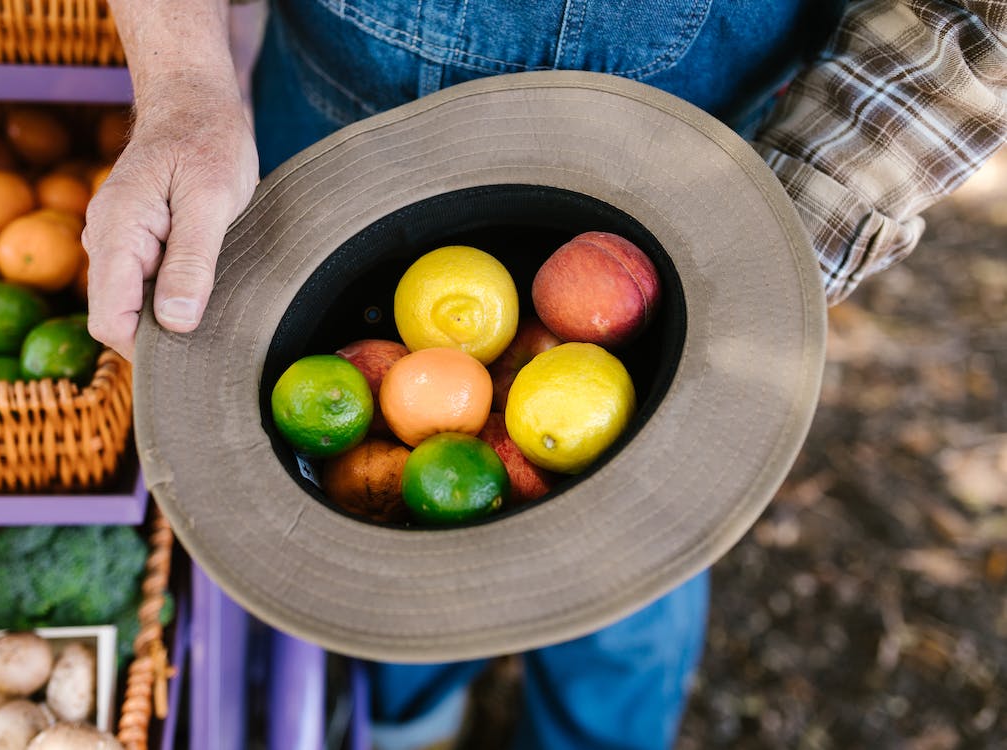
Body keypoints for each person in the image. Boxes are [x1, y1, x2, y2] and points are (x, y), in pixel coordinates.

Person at [82, 2, 1007, 748]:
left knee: (630, 572)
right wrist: (186, 90)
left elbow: (970, 25)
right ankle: (410, 711)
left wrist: (759, 250)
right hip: (324, 150)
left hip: (678, 186)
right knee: (390, 562)